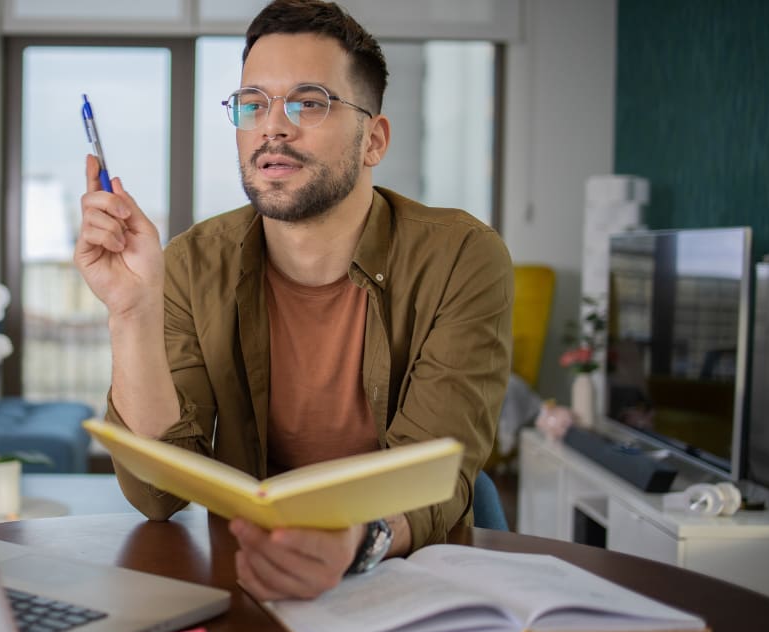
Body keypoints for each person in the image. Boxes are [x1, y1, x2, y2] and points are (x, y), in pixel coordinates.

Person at [74, 0, 512, 601]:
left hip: (408, 575)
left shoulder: (462, 256)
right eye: (252, 103)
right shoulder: (190, 263)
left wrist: (353, 543)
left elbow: (438, 472)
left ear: (373, 140)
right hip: (253, 574)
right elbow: (157, 493)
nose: (272, 126)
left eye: (309, 102)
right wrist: (131, 312)